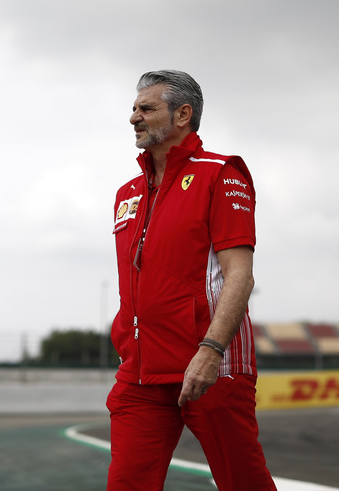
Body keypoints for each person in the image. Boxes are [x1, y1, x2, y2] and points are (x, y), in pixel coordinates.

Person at [106, 70, 276, 491]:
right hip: (141, 372)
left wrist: (211, 350)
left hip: (211, 365)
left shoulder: (221, 173)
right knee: (126, 483)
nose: (134, 117)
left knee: (243, 483)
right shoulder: (127, 192)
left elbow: (240, 274)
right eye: (134, 108)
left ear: (183, 114)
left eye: (146, 108)